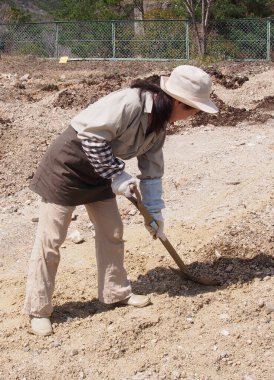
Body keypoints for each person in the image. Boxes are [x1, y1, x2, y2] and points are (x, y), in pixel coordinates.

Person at [23, 65, 218, 336]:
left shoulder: (160, 122)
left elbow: (152, 169)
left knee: (112, 231)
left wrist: (154, 210)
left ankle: (115, 292)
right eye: (194, 110)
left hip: (100, 171)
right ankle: (38, 309)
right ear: (179, 102)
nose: (193, 116)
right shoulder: (130, 102)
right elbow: (91, 139)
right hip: (68, 166)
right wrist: (117, 175)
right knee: (51, 239)